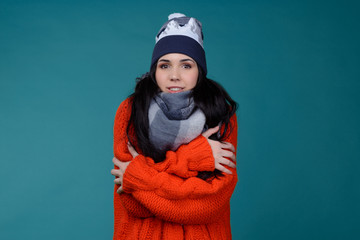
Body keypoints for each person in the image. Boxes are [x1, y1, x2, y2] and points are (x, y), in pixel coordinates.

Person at [110, 13, 238, 239]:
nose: (174, 76)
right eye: (165, 65)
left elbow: (209, 205)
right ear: (154, 70)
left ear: (199, 70)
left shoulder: (220, 113)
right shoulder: (131, 110)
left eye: (186, 65)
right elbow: (133, 204)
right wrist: (191, 157)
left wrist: (139, 175)